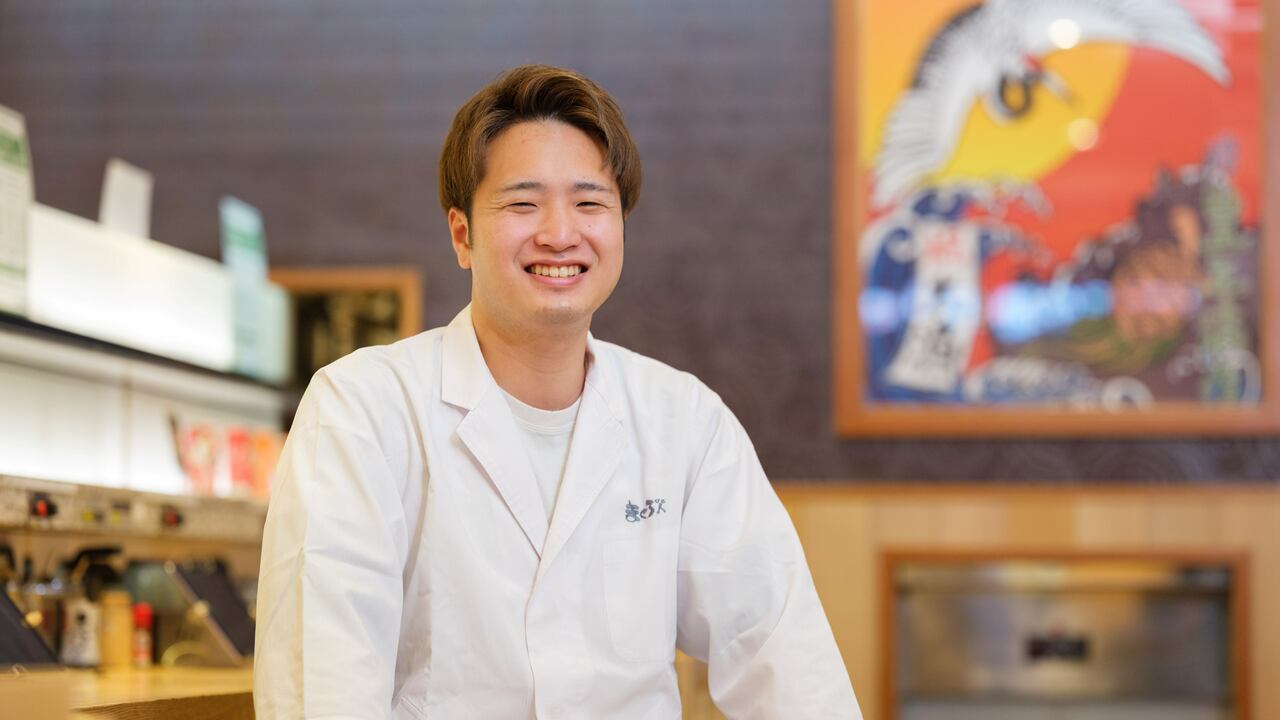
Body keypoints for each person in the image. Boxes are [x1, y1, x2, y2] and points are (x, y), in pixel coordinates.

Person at [254, 64, 861, 720]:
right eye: (523, 203)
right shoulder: (362, 410)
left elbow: (784, 656)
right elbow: (324, 683)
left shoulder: (685, 422)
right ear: (462, 234)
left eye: (590, 203)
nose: (560, 233)